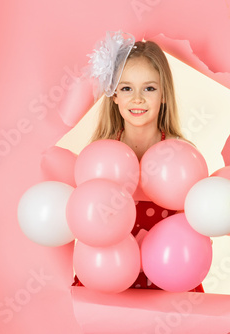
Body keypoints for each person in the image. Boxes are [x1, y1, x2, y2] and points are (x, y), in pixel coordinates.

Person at [72, 32, 203, 292]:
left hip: (170, 280)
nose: (138, 99)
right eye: (127, 88)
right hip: (106, 279)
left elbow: (198, 225)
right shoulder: (98, 158)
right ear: (114, 96)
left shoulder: (184, 157)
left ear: (164, 95)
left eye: (150, 88)